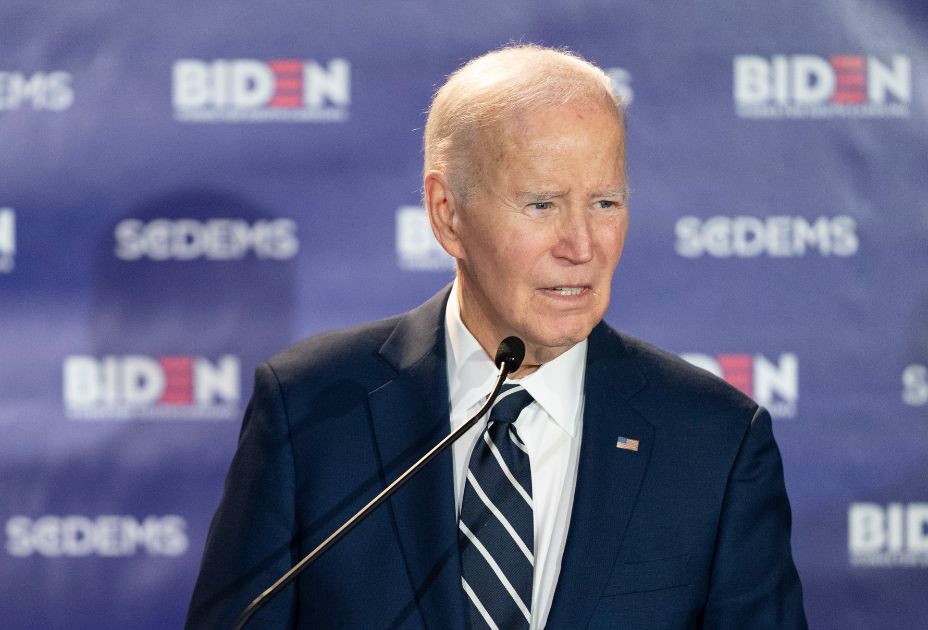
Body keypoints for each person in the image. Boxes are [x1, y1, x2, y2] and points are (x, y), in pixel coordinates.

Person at [186, 44, 807, 629]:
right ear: (447, 214)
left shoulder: (715, 442)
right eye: (541, 205)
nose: (582, 247)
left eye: (606, 204)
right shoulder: (311, 408)